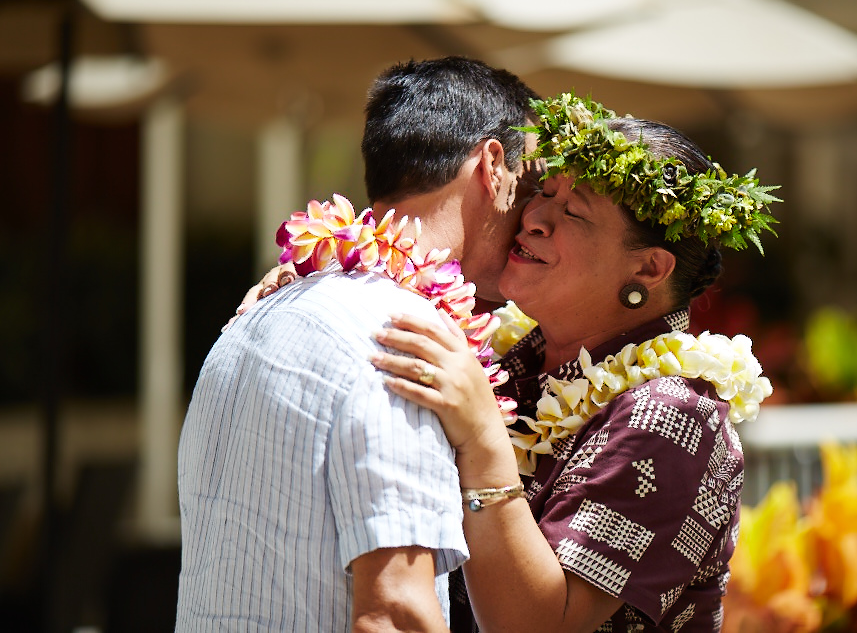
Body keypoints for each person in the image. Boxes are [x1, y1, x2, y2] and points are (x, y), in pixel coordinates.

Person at [367, 94, 778, 632]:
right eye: (545, 192)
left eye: (573, 211)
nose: (533, 216)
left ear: (650, 268)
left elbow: (543, 626)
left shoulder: (674, 416)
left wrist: (481, 435)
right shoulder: (513, 352)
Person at [175, 56, 539, 632]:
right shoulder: (412, 342)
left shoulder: (256, 317)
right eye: (534, 181)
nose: (536, 217)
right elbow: (395, 613)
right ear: (493, 165)